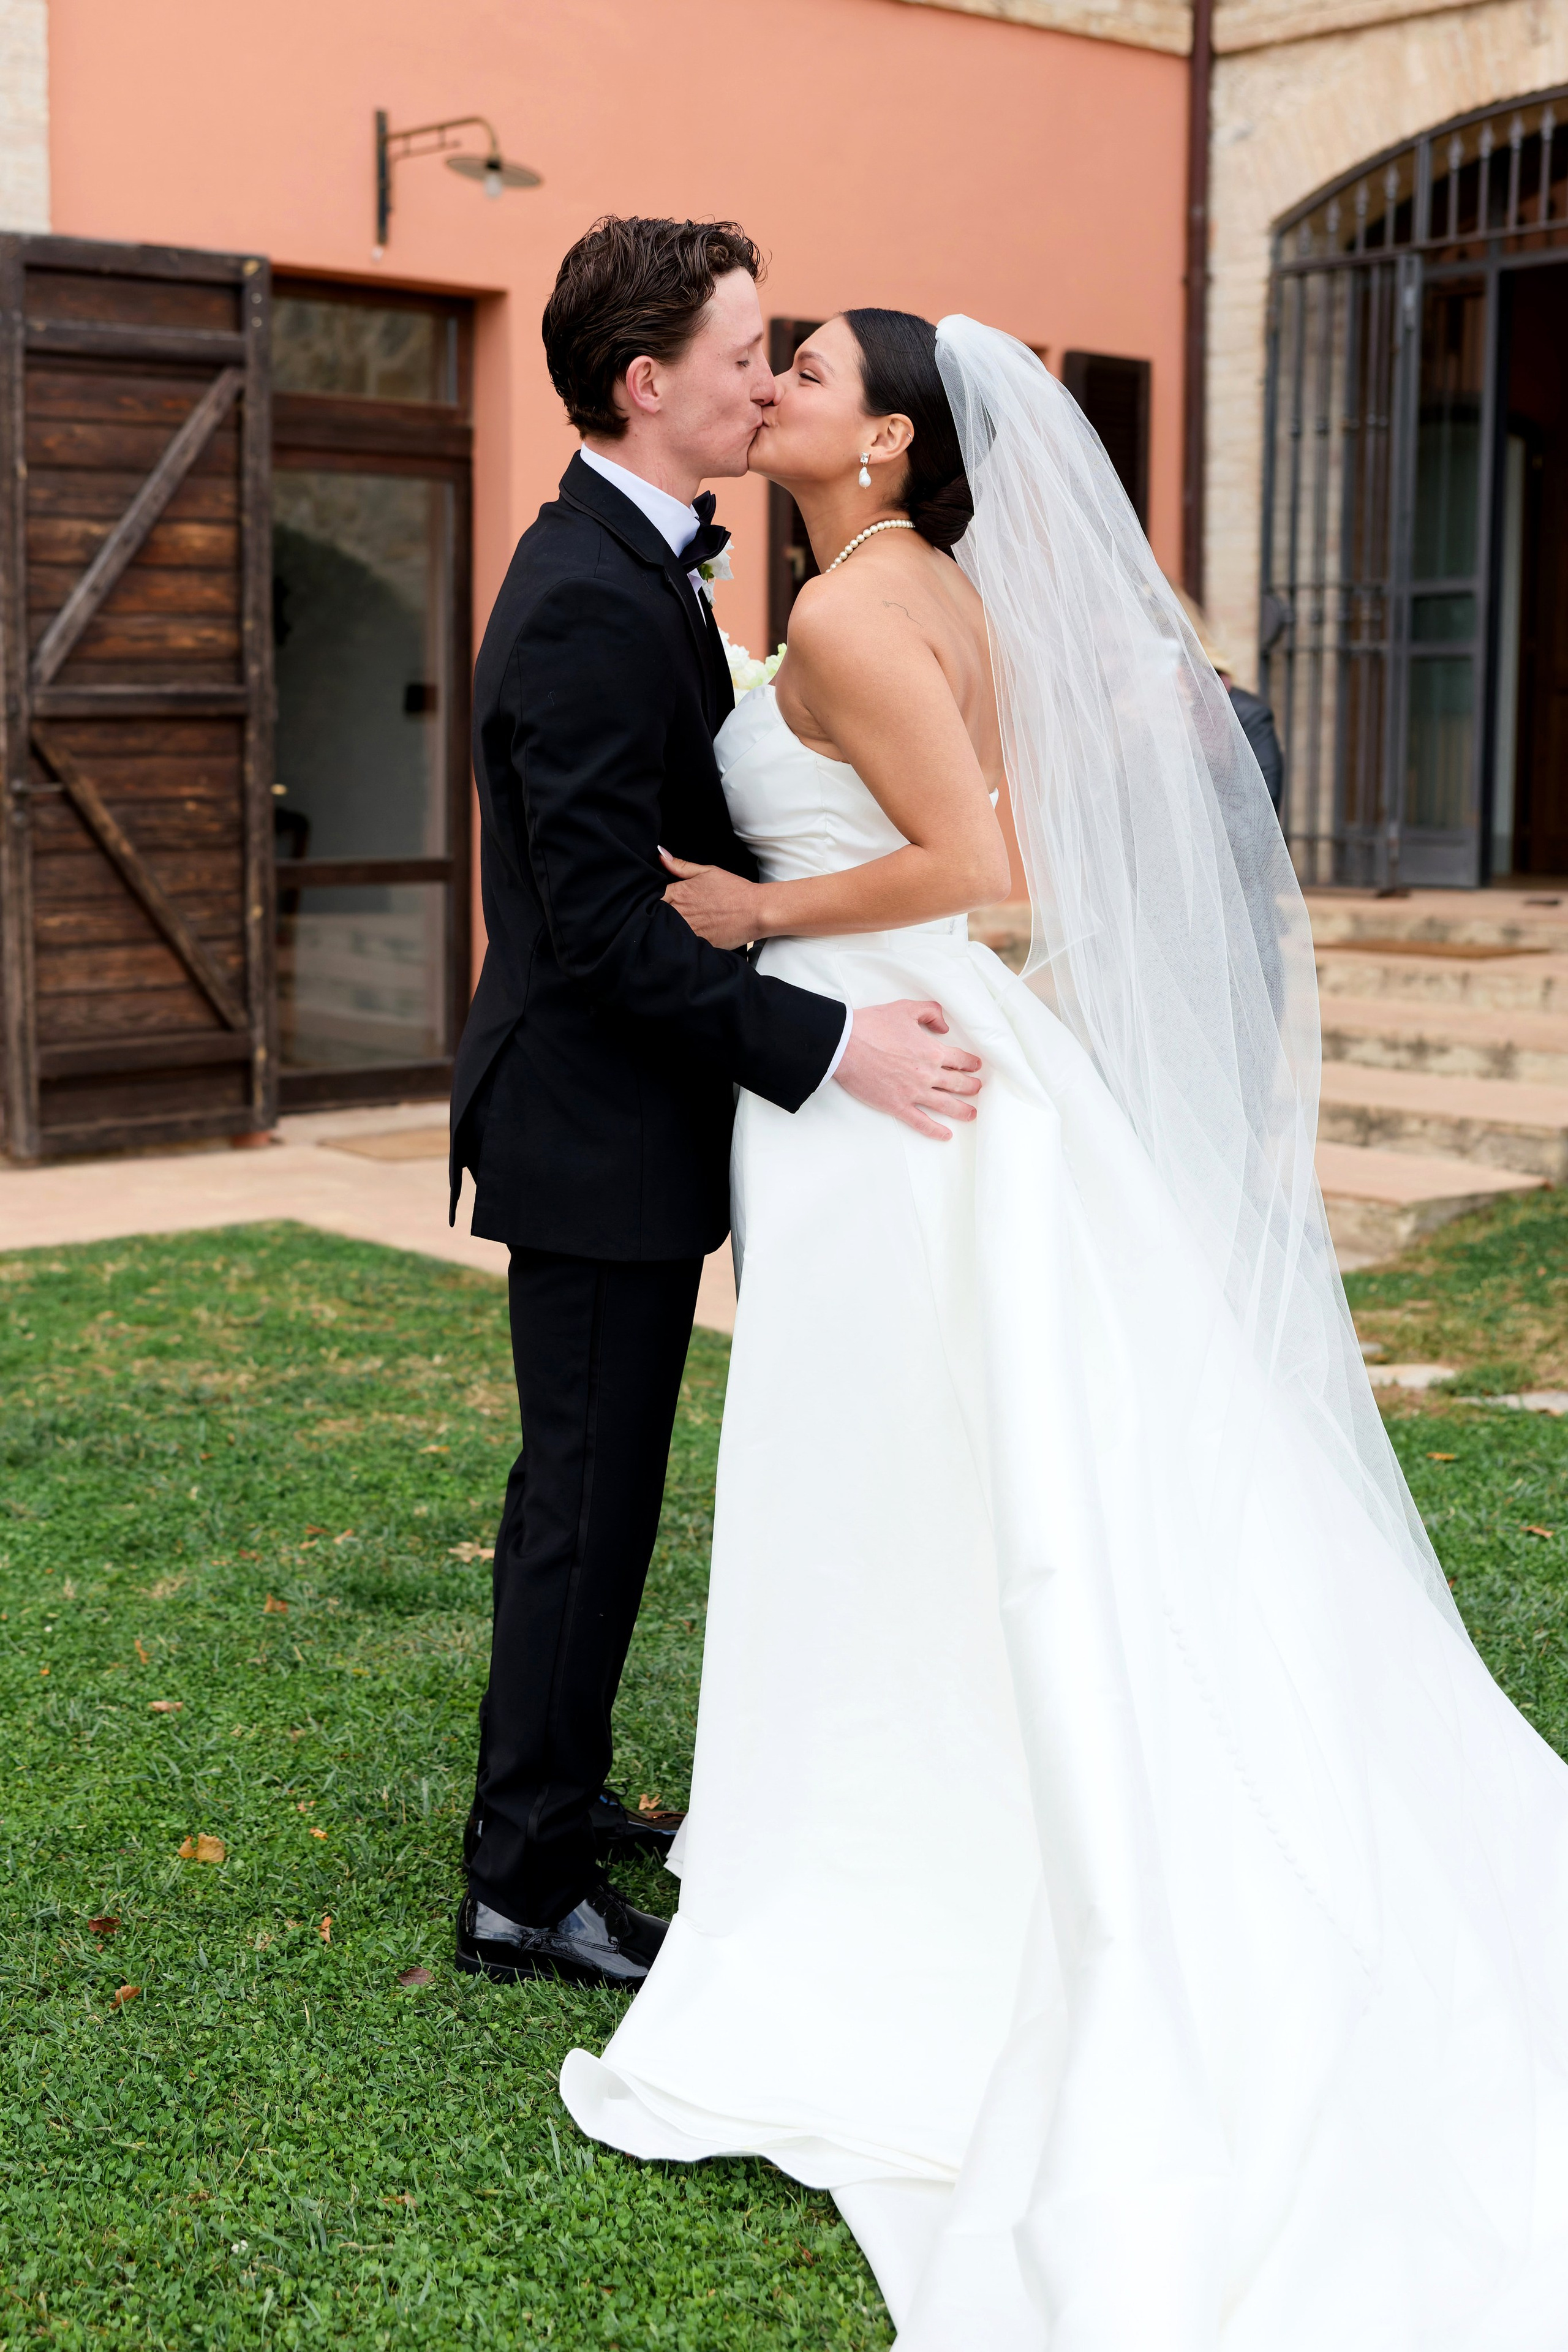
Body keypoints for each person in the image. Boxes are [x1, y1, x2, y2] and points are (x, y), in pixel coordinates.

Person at [560, 312, 1568, 2345]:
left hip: (889, 1074)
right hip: (913, 1056)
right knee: (944, 1466)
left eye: (811, 366)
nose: (778, 387)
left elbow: (981, 859)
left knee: (900, 1469)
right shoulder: (896, 582)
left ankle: (907, 1846)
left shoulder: (856, 614)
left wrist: (753, 918)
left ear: (889, 433)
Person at [447, 223, 982, 1994]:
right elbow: (605, 930)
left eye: (784, 356)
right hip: (592, 1123)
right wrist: (831, 1048)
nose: (769, 380)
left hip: (641, 1115)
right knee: (584, 1500)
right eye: (748, 353)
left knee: (607, 1489)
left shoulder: (646, 564)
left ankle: (567, 1794)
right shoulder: (595, 598)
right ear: (644, 382)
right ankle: (521, 1880)